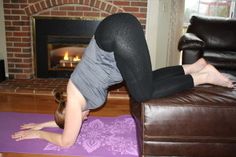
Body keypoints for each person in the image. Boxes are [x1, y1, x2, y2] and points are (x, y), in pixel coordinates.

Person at [12, 13, 234, 147]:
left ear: (70, 115)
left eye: (78, 120)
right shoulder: (74, 100)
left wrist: (37, 134)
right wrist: (43, 123)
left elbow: (66, 141)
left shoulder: (73, 101)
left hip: (117, 33)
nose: (84, 119)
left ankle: (203, 77)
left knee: (142, 93)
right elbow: (67, 122)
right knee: (146, 81)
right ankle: (195, 66)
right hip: (117, 30)